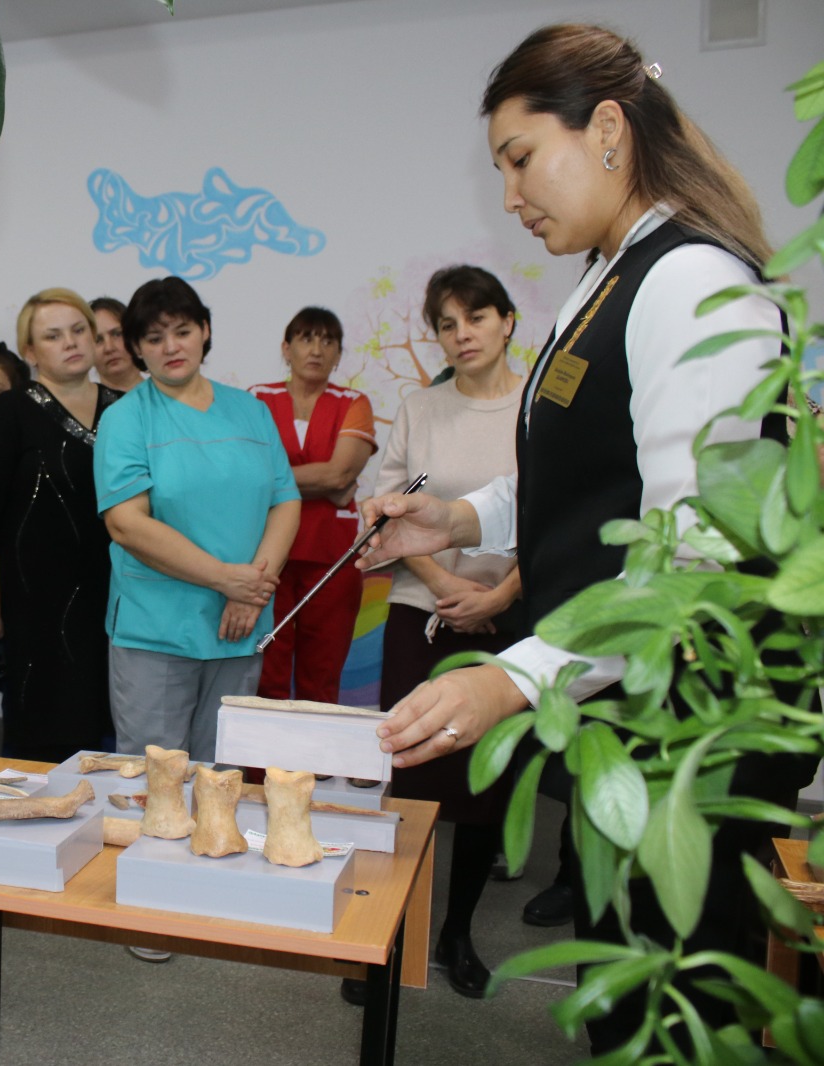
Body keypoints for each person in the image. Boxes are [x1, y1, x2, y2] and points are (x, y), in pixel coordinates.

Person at [358, 24, 818, 1052]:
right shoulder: (608, 278)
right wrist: (459, 517)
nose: (510, 195)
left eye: (520, 158)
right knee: (624, 1001)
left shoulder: (689, 280)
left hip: (694, 729)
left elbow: (692, 551)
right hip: (627, 714)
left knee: (672, 1013)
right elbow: (593, 476)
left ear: (607, 127)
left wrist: (513, 678)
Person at [363, 266, 527, 1002]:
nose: (462, 335)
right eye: (447, 324)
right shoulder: (420, 407)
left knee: (485, 783)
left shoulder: (538, 407)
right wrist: (444, 587)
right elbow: (388, 509)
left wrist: (501, 593)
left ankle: (457, 932)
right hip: (420, 609)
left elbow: (554, 512)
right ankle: (389, 936)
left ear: (508, 321)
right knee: (411, 776)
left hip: (509, 615)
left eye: (477, 318)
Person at [94, 276, 301, 764]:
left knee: (222, 776)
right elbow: (127, 524)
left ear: (205, 331)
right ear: (137, 349)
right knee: (154, 777)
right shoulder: (126, 418)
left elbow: (285, 501)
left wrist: (250, 589)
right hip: (157, 631)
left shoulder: (250, 411)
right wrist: (226, 579)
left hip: (240, 626)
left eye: (183, 331)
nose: (171, 347)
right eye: (154, 338)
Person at [0, 288, 120, 762]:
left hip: (120, 600)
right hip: (33, 606)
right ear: (30, 351)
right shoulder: (9, 412)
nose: (70, 342)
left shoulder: (127, 408)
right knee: (42, 748)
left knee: (117, 745)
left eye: (78, 330)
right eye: (53, 336)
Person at [248, 308, 376, 709]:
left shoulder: (353, 402)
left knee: (321, 679)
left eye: (328, 341)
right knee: (265, 674)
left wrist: (276, 478)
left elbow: (340, 475)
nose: (316, 350)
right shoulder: (257, 398)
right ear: (286, 349)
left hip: (332, 559)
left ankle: (315, 754)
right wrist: (325, 482)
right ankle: (260, 753)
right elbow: (248, 473)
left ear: (339, 354)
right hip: (267, 555)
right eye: (306, 339)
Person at [90, 296, 144, 392]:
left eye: (117, 334)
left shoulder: (167, 395)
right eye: (98, 340)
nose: (109, 348)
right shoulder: (85, 402)